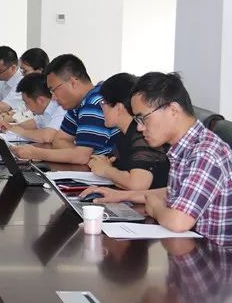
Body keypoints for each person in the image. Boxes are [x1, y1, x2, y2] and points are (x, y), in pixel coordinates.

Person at [80, 72, 232, 243]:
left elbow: (178, 222)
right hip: (188, 246)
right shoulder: (186, 146)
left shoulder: (205, 153)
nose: (139, 128)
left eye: (142, 118)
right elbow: (176, 191)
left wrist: (157, 208)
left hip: (213, 255)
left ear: (173, 110)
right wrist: (123, 196)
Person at [13, 54, 119, 165]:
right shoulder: (76, 105)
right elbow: (59, 141)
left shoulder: (94, 102)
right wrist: (78, 154)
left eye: (54, 90)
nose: (53, 97)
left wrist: (36, 153)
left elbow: (81, 157)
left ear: (73, 83)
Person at [86, 73, 169, 190]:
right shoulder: (124, 133)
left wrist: (107, 170)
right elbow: (108, 165)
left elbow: (138, 185)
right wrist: (104, 166)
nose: (101, 107)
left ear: (119, 108)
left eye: (103, 103)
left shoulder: (142, 134)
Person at [0, 72, 66, 144]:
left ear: (40, 100)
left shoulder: (61, 108)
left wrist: (20, 132)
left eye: (27, 102)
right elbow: (35, 123)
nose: (26, 107)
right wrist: (9, 127)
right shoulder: (46, 109)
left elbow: (46, 137)